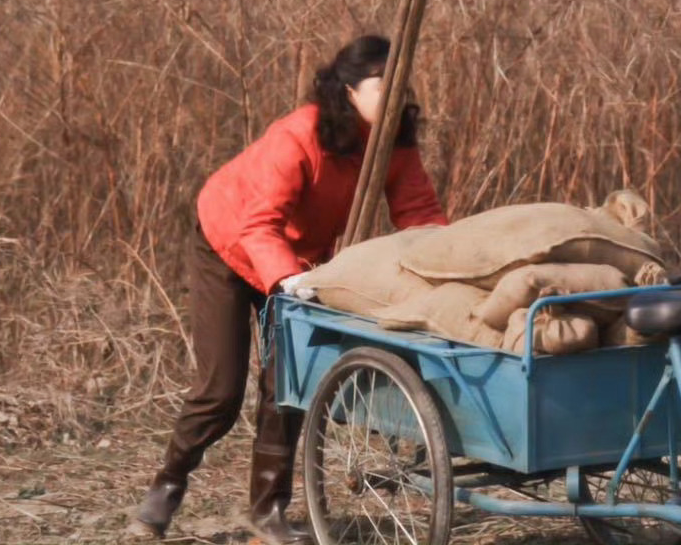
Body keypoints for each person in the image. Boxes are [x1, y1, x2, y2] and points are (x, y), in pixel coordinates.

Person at [129, 36, 448, 543]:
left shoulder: (395, 142)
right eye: (380, 87)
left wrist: (448, 264)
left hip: (299, 260)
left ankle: (267, 512)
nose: (394, 97)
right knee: (220, 391)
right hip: (230, 242)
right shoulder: (299, 135)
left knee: (288, 386)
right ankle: (164, 490)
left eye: (400, 86)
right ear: (349, 92)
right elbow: (259, 224)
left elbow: (419, 214)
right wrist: (287, 279)